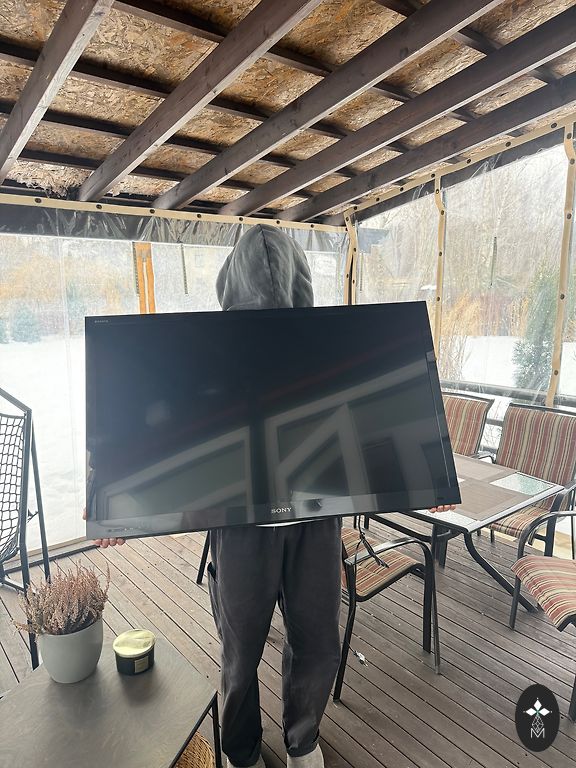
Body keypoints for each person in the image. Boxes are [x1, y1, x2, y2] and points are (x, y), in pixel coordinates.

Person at [87, 224, 455, 768]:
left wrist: (428, 481)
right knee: (240, 653)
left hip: (316, 523)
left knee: (318, 644)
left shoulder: (325, 351)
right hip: (241, 529)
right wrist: (116, 502)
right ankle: (240, 750)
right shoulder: (209, 357)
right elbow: (165, 432)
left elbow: (368, 428)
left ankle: (302, 740)